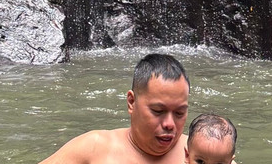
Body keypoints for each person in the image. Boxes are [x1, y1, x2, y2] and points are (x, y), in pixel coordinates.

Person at [37, 53, 190, 164]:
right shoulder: (93, 148)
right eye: (158, 111)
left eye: (179, 113)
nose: (170, 124)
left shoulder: (198, 152)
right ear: (131, 102)